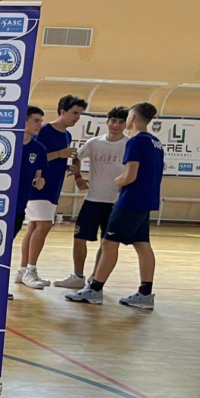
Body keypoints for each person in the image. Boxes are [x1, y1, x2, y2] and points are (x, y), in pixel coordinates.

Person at [66, 102, 164, 309]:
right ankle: (145, 294)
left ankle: (95, 290)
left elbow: (130, 176)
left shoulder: (135, 141)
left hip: (130, 201)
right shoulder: (155, 142)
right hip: (146, 201)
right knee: (142, 245)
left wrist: (117, 181)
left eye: (126, 117)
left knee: (109, 244)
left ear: (132, 118)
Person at [53, 106, 128, 289]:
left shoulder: (130, 144)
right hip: (93, 200)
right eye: (113, 121)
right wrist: (78, 177)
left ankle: (96, 279)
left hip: (117, 204)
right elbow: (76, 157)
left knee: (108, 244)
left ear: (126, 124)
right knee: (79, 239)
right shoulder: (94, 143)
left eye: (121, 122)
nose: (116, 125)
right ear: (107, 121)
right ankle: (78, 276)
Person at [20, 95, 87, 289]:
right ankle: (30, 270)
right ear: (62, 111)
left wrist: (67, 167)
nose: (77, 118)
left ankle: (23, 270)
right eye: (74, 113)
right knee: (43, 225)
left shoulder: (66, 135)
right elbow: (35, 156)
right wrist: (60, 154)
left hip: (54, 187)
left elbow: (53, 160)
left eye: (79, 114)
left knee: (34, 226)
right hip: (39, 186)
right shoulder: (44, 131)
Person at [11, 106, 48, 298]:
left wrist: (38, 182)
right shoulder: (7, 143)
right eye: (36, 120)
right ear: (23, 121)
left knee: (7, 245)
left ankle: (3, 284)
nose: (39, 125)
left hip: (19, 206)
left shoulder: (39, 149)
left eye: (41, 121)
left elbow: (37, 177)